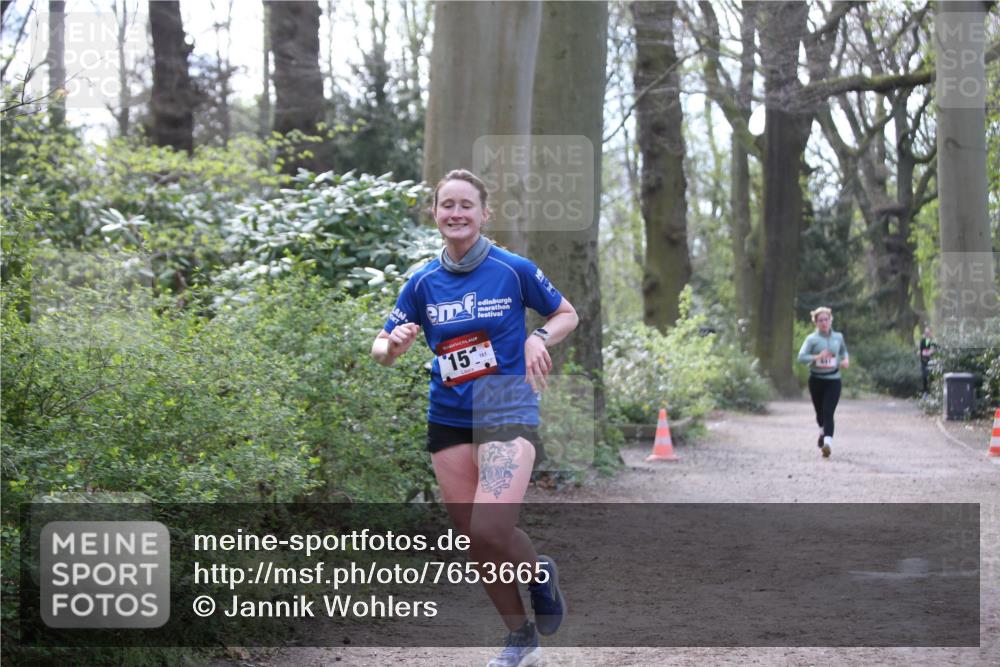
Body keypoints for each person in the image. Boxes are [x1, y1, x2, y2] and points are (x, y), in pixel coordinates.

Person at [371, 169, 578, 667]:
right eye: (447, 205)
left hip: (506, 407)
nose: (456, 213)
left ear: (484, 214)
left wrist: (537, 337)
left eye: (467, 205)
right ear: (436, 214)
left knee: (490, 529)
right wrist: (391, 346)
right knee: (477, 540)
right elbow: (381, 345)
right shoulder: (421, 281)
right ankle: (521, 635)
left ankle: (537, 574)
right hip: (449, 416)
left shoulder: (512, 269)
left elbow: (566, 312)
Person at [797, 307, 849, 458]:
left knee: (828, 411)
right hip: (816, 380)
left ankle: (827, 444)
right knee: (820, 413)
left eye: (827, 319)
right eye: (821, 320)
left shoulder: (838, 337)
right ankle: (822, 430)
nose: (824, 323)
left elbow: (844, 351)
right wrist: (817, 357)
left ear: (831, 320)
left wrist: (845, 359)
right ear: (816, 323)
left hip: (833, 380)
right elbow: (801, 357)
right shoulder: (811, 339)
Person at [919, 326, 936, 395]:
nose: (927, 334)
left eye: (928, 332)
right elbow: (922, 351)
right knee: (924, 376)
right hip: (924, 361)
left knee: (932, 377)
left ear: (930, 333)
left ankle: (932, 392)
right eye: (926, 332)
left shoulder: (933, 341)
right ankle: (925, 392)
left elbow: (935, 350)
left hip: (932, 362)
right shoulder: (923, 341)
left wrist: (932, 351)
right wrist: (928, 352)